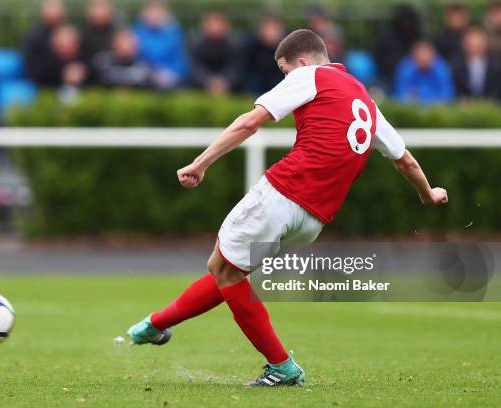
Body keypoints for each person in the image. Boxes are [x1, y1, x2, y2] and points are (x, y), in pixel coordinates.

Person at [127, 29, 448, 386]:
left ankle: (281, 366)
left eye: (284, 71)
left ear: (302, 61)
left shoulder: (308, 76)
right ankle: (156, 324)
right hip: (313, 219)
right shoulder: (366, 101)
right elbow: (405, 161)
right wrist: (428, 193)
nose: (285, 78)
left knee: (223, 267)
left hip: (285, 193)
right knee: (230, 272)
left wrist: (201, 163)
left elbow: (250, 122)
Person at [132, 0, 188, 89]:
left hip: (171, 78)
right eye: (151, 11)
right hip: (144, 77)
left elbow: (181, 60)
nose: (154, 15)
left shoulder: (174, 32)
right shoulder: (136, 32)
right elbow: (134, 59)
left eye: (158, 11)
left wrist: (171, 73)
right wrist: (151, 72)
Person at [190, 11, 242, 95]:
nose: (214, 28)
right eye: (211, 24)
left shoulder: (234, 44)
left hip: (229, 86)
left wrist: (225, 82)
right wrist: (208, 81)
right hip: (203, 85)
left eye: (218, 23)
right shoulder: (196, 43)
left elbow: (236, 67)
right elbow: (196, 67)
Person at [394, 40, 455, 104]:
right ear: (413, 56)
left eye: (426, 54)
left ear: (433, 55)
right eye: (420, 54)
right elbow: (400, 94)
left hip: (436, 109)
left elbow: (447, 95)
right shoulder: (405, 68)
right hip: (412, 109)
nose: (423, 58)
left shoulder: (442, 69)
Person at [375, 5, 422, 86]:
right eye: (404, 21)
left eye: (410, 21)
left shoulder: (418, 38)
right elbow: (382, 62)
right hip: (390, 76)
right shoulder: (386, 40)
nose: (407, 25)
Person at [24, 0, 66, 85]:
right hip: (43, 82)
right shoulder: (34, 36)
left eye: (57, 7)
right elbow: (31, 67)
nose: (54, 11)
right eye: (51, 7)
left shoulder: (67, 33)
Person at [453, 26, 501, 100]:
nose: (475, 48)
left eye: (478, 44)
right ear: (465, 45)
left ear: (485, 44)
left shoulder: (496, 66)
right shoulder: (457, 66)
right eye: (471, 45)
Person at [243, 14, 285, 95]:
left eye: (274, 28)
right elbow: (246, 71)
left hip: (278, 83)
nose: (270, 32)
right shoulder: (251, 45)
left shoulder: (288, 48)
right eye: (267, 28)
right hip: (256, 84)